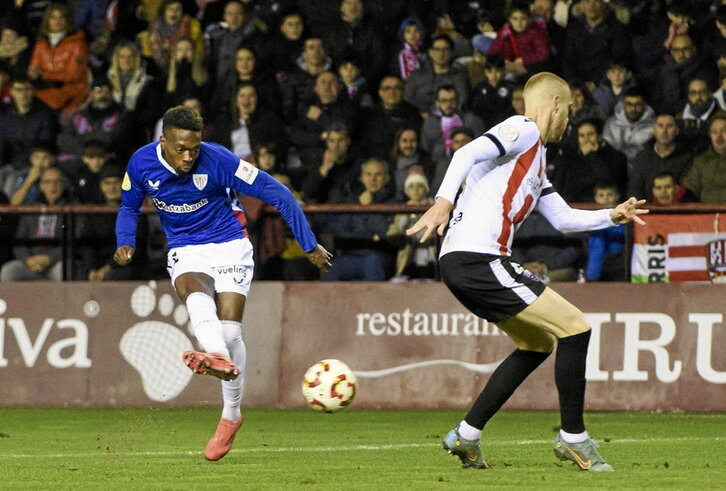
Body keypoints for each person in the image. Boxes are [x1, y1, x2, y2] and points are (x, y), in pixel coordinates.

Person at [406, 72, 647, 472]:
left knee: (537, 344)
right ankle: (574, 439)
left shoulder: (537, 164)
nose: (569, 121)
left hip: (464, 262)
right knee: (576, 327)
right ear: (554, 103)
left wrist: (612, 215)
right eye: (568, 110)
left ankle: (466, 435)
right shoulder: (523, 128)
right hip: (479, 258)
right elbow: (464, 154)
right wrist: (442, 202)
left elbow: (565, 219)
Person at [114, 105, 332, 461]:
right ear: (163, 141)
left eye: (194, 149)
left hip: (230, 243)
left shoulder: (218, 160)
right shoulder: (140, 163)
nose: (188, 156)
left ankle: (231, 414)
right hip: (186, 248)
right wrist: (126, 240)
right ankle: (215, 356)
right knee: (194, 292)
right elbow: (128, 207)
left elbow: (277, 192)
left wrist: (308, 243)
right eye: (181, 148)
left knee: (230, 334)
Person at [628, 113, 693, 201]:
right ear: (654, 130)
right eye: (660, 126)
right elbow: (635, 189)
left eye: (669, 126)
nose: (664, 130)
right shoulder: (642, 158)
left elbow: (688, 191)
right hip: (647, 211)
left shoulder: (686, 158)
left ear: (677, 130)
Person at [585, 183, 626, 281]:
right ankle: (591, 278)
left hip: (619, 263)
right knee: (596, 239)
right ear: (595, 198)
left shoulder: (624, 217)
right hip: (598, 267)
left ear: (617, 196)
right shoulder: (590, 218)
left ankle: (591, 279)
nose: (606, 199)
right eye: (601, 195)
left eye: (610, 195)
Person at [683, 111, 726, 202]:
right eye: (714, 132)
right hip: (708, 214)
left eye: (724, 131)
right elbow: (689, 192)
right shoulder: (700, 162)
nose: (719, 137)